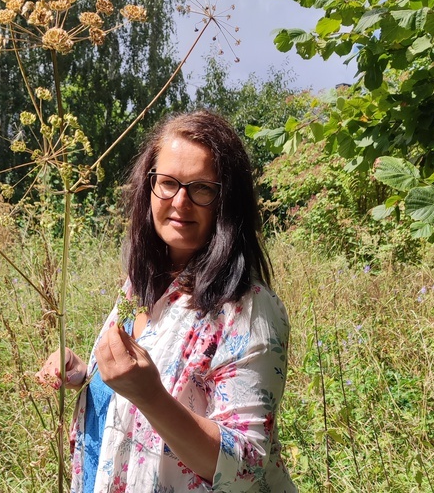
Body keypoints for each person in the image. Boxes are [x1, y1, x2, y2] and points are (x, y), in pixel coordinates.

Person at [38, 110, 296, 492]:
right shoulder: (140, 285)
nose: (180, 202)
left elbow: (247, 467)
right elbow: (129, 384)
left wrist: (151, 396)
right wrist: (87, 374)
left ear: (228, 201)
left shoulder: (248, 308)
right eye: (168, 183)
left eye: (202, 188)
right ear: (149, 186)